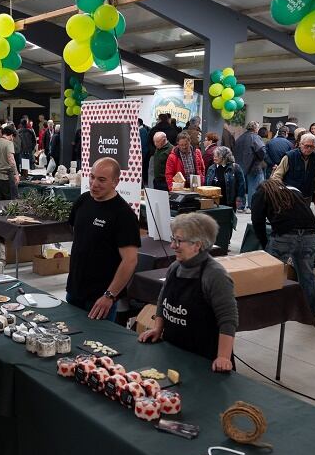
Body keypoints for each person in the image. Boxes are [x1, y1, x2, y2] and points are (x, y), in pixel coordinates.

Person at [138, 213, 237, 371]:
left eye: (178, 241)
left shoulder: (215, 275)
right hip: (173, 352)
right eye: (173, 239)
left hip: (203, 359)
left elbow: (228, 319)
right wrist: (158, 328)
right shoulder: (175, 268)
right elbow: (162, 301)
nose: (172, 246)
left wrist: (223, 357)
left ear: (197, 245)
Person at [67, 158, 140, 322]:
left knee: (97, 346)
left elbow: (130, 260)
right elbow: (77, 235)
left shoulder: (123, 215)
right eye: (92, 177)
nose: (94, 183)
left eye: (102, 179)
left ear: (115, 182)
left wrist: (109, 295)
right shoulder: (83, 201)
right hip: (74, 290)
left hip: (100, 299)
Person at [252, 179, 315, 318]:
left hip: (285, 234)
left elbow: (257, 221)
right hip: (310, 233)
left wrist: (265, 245)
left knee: (272, 273)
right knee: (307, 275)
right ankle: (310, 313)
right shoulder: (293, 189)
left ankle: (270, 312)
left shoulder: (262, 192)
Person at [271, 133, 315, 205]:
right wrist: (279, 193)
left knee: (304, 215)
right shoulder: (290, 156)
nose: (309, 149)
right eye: (307, 146)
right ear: (300, 144)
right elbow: (277, 176)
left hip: (307, 195)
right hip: (290, 195)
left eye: (312, 146)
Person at [234, 121, 267, 211]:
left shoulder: (240, 138)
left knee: (241, 187)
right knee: (255, 187)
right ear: (255, 128)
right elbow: (262, 151)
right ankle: (252, 207)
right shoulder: (255, 137)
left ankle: (240, 206)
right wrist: (261, 159)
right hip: (254, 166)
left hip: (240, 166)